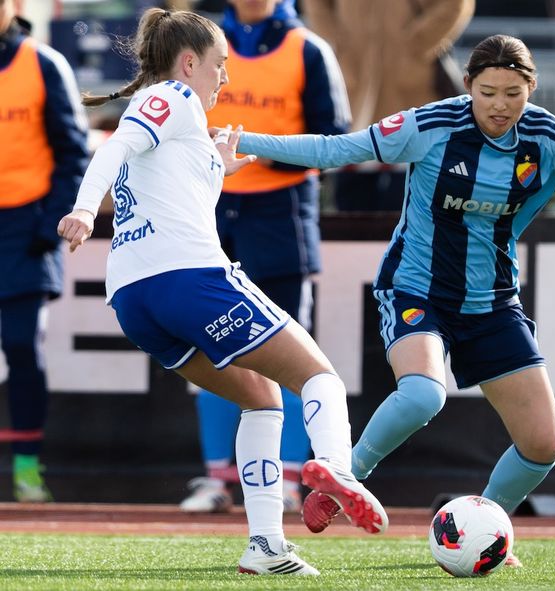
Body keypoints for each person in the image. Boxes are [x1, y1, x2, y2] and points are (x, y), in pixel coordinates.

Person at [220, 33, 555, 557]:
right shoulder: (430, 126)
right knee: (423, 395)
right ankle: (343, 478)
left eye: (513, 94)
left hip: (493, 303)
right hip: (416, 288)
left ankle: (484, 529)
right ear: (469, 85)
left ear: (531, 90)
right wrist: (245, 140)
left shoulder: (547, 138)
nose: (500, 105)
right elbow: (335, 149)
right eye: (488, 93)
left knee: (542, 443)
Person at [56, 8, 386, 576]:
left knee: (261, 398)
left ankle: (266, 547)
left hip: (133, 300)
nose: (225, 77)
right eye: (220, 64)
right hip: (189, 279)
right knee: (318, 376)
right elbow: (112, 148)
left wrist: (217, 169)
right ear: (189, 64)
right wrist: (85, 210)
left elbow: (164, 185)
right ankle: (336, 467)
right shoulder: (174, 97)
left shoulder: (174, 119)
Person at [179, 0, 350, 516]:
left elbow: (333, 138)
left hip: (281, 214)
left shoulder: (308, 50)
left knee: (289, 349)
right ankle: (216, 479)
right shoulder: (199, 43)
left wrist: (259, 153)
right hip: (208, 208)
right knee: (210, 346)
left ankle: (291, 480)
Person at [0, 0, 88, 502]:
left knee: (21, 345)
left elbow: (73, 151)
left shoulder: (43, 63)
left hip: (26, 228)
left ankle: (27, 469)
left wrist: (50, 220)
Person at [302, 0, 474, 211]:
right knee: (351, 195)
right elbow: (316, 4)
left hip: (411, 82)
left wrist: (417, 42)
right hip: (354, 78)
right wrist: (338, 41)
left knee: (408, 189)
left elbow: (455, 5)